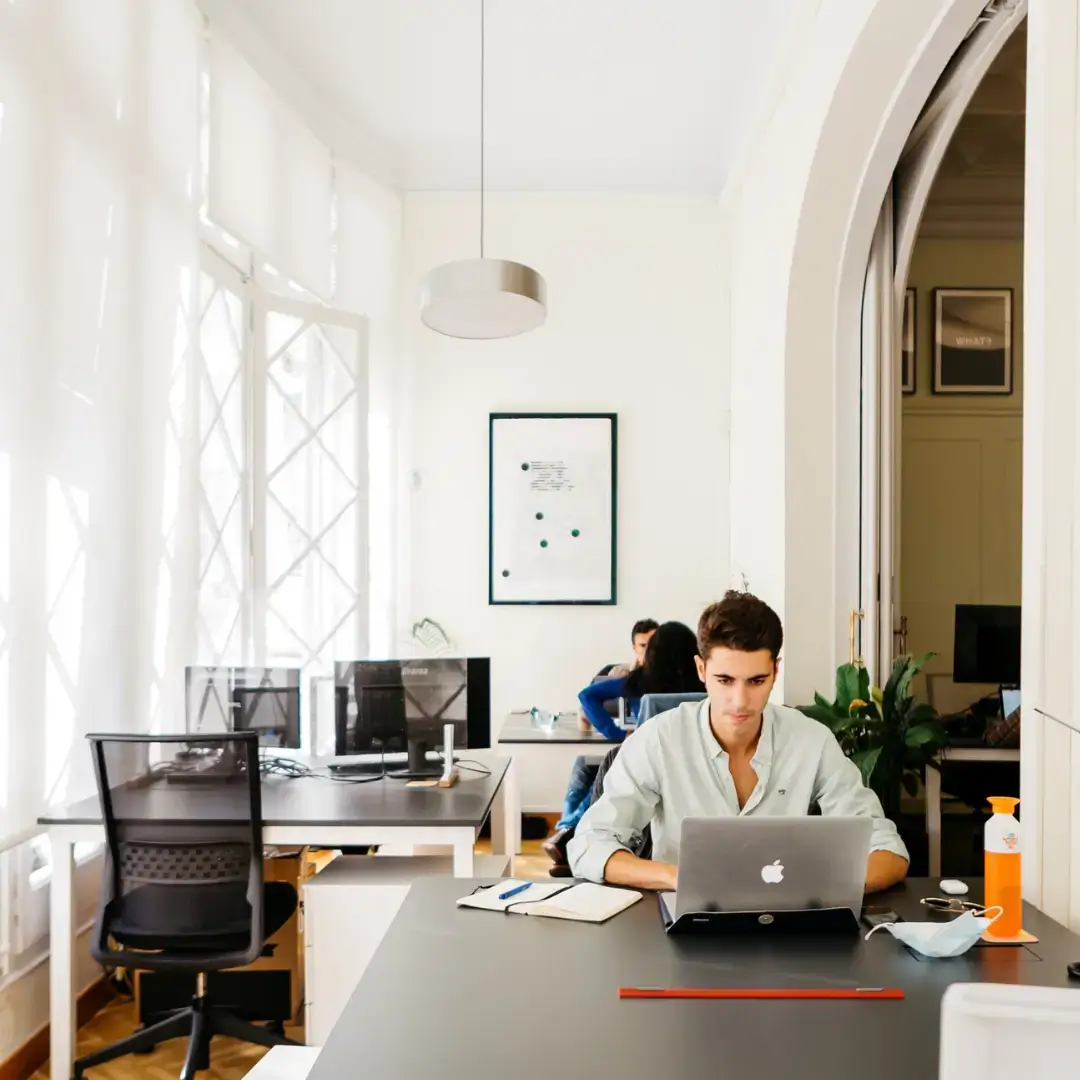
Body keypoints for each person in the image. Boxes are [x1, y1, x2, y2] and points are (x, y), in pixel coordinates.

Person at [567, 592, 910, 894]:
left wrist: (822, 886)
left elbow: (886, 848)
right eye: (725, 680)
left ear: (775, 671)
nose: (740, 700)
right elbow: (588, 846)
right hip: (684, 928)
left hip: (790, 927)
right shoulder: (658, 739)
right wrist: (679, 878)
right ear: (701, 669)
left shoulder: (812, 740)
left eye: (757, 680)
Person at [543, 620, 701, 867]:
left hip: (645, 760)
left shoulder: (641, 680)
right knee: (595, 768)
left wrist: (615, 733)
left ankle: (568, 831)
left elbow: (587, 695)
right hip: (692, 760)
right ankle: (568, 831)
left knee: (604, 767)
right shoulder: (703, 686)